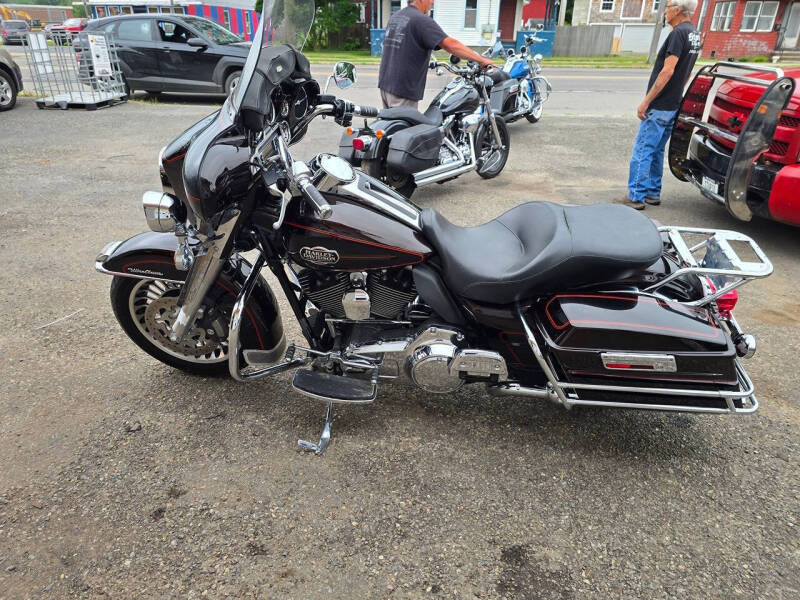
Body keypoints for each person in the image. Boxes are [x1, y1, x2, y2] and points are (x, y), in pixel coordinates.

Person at [619, 0, 701, 210]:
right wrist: (677, 92)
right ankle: (652, 192)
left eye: (668, 7)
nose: (665, 11)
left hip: (660, 105)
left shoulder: (678, 34)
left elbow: (668, 70)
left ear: (678, 10)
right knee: (656, 150)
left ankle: (636, 195)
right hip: (673, 104)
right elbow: (688, 71)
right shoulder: (694, 34)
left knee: (643, 150)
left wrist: (646, 102)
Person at [378, 0, 495, 110]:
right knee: (405, 125)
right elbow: (450, 45)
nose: (432, 2)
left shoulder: (396, 17)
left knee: (391, 123)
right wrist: (481, 60)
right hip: (402, 90)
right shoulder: (420, 20)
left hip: (386, 84)